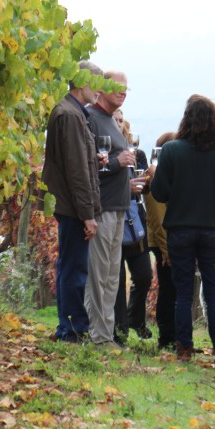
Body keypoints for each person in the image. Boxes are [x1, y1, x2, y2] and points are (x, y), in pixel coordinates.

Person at [149, 95, 215, 371]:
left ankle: (184, 349)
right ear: (213, 120)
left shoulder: (172, 151)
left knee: (183, 292)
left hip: (180, 230)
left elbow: (159, 192)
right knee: (213, 291)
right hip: (212, 230)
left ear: (186, 118)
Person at [42, 60, 102, 343]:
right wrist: (87, 214)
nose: (100, 91)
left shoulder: (72, 112)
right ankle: (72, 330)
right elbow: (76, 171)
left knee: (70, 266)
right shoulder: (70, 115)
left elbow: (78, 162)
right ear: (82, 82)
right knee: (74, 269)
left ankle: (69, 328)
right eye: (97, 84)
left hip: (69, 204)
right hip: (72, 207)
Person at [85, 71, 135, 347]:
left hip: (119, 206)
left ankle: (105, 335)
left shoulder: (112, 121)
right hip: (101, 207)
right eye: (117, 87)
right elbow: (88, 166)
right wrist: (118, 162)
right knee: (100, 274)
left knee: (112, 277)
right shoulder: (91, 118)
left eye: (127, 88)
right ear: (101, 88)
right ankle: (99, 336)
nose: (123, 92)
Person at [112, 112, 153, 342]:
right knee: (116, 281)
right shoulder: (104, 155)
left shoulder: (137, 155)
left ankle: (134, 319)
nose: (117, 123)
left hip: (135, 225)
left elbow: (145, 190)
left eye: (120, 120)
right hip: (115, 224)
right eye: (114, 120)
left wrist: (147, 180)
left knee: (144, 276)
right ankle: (121, 329)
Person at [142, 131, 177, 350]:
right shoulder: (157, 178)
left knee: (171, 289)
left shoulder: (164, 175)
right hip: (165, 244)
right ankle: (167, 338)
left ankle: (171, 336)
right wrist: (167, 252)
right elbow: (159, 219)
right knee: (169, 290)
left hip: (166, 243)